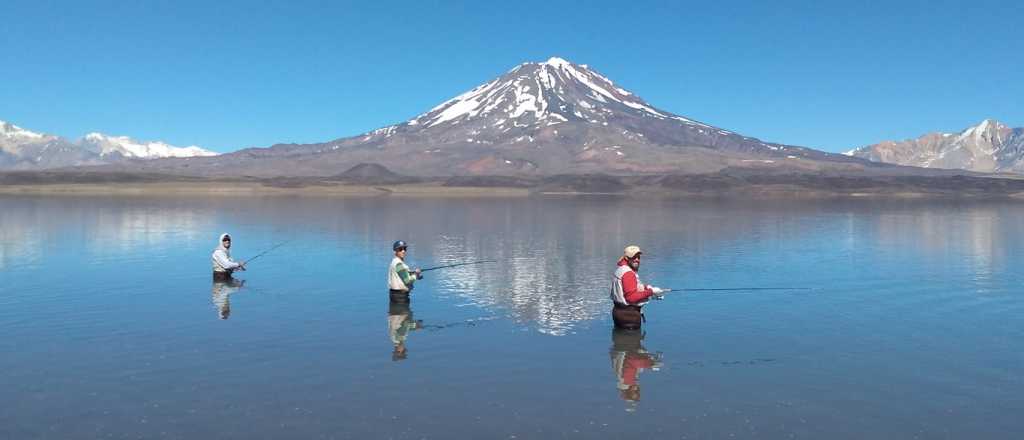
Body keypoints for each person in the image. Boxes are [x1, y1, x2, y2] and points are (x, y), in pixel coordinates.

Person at [610, 245, 665, 330]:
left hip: (618, 313)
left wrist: (646, 288)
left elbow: (629, 287)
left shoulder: (620, 269)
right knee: (632, 339)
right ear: (626, 258)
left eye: (638, 257)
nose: (637, 259)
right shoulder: (628, 273)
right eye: (633, 257)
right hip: (629, 317)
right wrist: (651, 291)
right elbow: (631, 297)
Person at [610, 328, 663, 411]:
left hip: (628, 343)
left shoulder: (627, 380)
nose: (637, 389)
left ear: (629, 391)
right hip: (622, 341)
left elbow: (632, 361)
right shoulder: (623, 380)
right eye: (637, 392)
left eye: (635, 392)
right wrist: (650, 362)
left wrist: (650, 364)